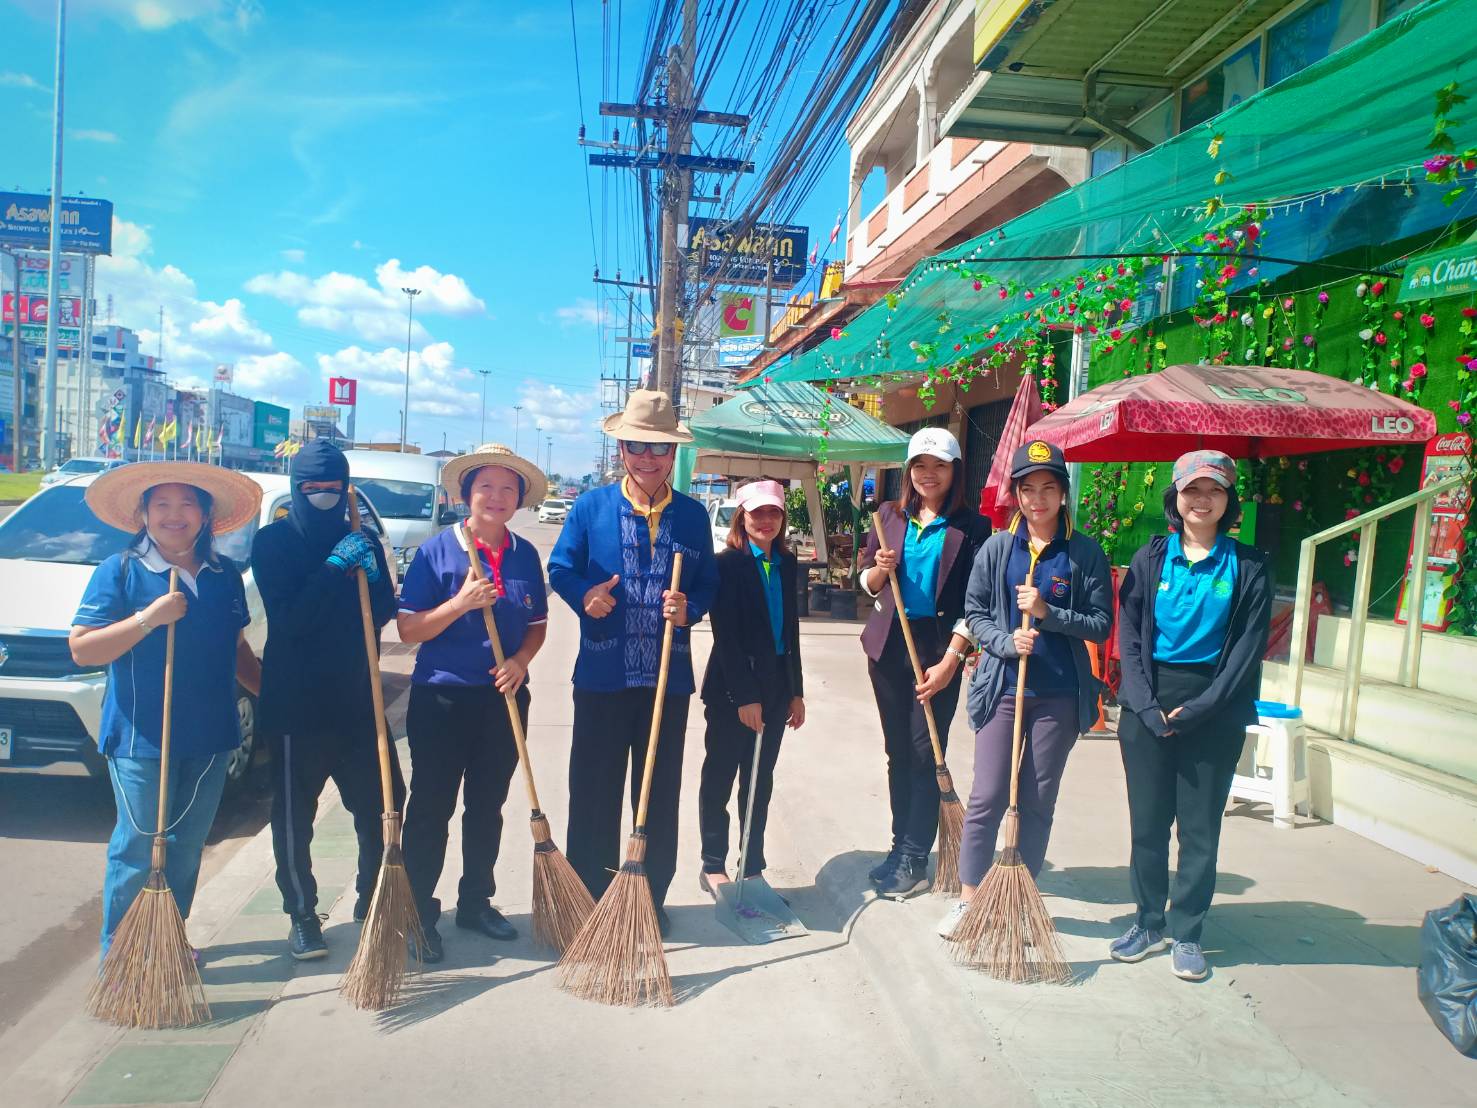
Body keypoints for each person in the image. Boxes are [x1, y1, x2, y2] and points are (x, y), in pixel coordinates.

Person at [71, 462, 263, 957]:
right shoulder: (121, 571)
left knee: (183, 849)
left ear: (205, 514)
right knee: (137, 849)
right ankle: (121, 955)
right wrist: (147, 619)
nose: (174, 515)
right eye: (162, 505)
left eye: (186, 504)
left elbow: (238, 651)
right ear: (144, 513)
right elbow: (84, 649)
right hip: (141, 738)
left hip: (210, 736)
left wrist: (276, 698)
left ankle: (167, 946)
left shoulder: (223, 578)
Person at [547, 389, 718, 936]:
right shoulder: (590, 508)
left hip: (666, 680)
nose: (647, 458)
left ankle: (648, 895)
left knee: (658, 792)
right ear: (621, 448)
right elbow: (561, 568)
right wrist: (585, 596)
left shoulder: (692, 517)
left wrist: (690, 607)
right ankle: (594, 899)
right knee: (594, 790)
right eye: (636, 446)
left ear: (673, 454)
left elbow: (709, 583)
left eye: (659, 448)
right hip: (602, 676)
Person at [1111, 450, 1271, 982]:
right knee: (1148, 826)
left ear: (1229, 502)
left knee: (1199, 829)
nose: (1202, 500)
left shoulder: (1247, 566)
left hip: (1214, 708)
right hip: (1148, 704)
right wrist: (1144, 705)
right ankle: (1148, 921)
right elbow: (1129, 638)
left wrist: (1200, 709)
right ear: (1175, 498)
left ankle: (1188, 932)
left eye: (1215, 491)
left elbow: (1247, 651)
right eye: (1192, 490)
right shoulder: (1149, 560)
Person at [945, 440, 1111, 937]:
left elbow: (1101, 625)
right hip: (1002, 689)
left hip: (1058, 694)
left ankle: (1021, 897)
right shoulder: (998, 548)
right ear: (1015, 494)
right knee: (989, 795)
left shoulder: (1084, 553)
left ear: (1063, 493)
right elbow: (974, 611)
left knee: (1038, 798)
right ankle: (970, 898)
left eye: (1048, 488)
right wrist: (1003, 640)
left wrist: (1048, 614)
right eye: (1028, 489)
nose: (1037, 499)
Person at [396, 444, 550, 963]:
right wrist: (460, 603)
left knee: (487, 807)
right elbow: (409, 627)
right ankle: (418, 911)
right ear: (465, 494)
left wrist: (521, 662)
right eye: (486, 486)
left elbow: (536, 625)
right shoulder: (437, 552)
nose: (497, 497)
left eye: (509, 489)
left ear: (519, 500)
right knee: (431, 808)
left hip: (502, 700)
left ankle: (475, 902)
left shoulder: (525, 554)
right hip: (441, 698)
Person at [250, 440, 402, 960]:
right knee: (295, 816)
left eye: (331, 489)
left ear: (345, 490)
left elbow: (381, 614)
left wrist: (375, 577)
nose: (321, 497)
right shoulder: (273, 543)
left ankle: (371, 896)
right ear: (296, 489)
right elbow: (291, 622)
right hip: (296, 706)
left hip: (356, 698)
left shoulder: (361, 539)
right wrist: (334, 568)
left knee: (384, 804)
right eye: (311, 489)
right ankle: (301, 914)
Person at [858, 428, 992, 899]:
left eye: (938, 465)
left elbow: (978, 602)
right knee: (898, 751)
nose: (928, 474)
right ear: (908, 472)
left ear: (954, 471)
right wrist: (879, 569)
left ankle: (916, 856)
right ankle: (900, 847)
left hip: (936, 652)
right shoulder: (888, 516)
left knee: (924, 752)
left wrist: (952, 661)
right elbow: (866, 582)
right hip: (888, 647)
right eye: (919, 465)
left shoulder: (973, 529)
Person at [697, 479, 805, 894]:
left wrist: (795, 691)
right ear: (742, 516)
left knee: (760, 780)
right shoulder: (726, 564)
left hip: (778, 684)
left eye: (774, 512)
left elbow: (790, 632)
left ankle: (752, 862)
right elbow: (727, 636)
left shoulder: (787, 562)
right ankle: (712, 862)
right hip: (733, 688)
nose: (766, 520)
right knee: (721, 775)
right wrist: (745, 697)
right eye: (757, 513)